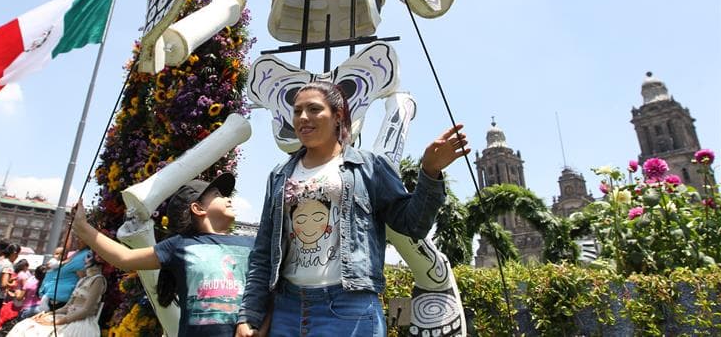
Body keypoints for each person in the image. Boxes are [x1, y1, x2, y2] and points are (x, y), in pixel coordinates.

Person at [235, 81, 471, 337]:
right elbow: (263, 252)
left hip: (349, 309)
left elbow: (411, 225)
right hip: (287, 309)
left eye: (314, 109)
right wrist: (249, 315)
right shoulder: (279, 175)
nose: (303, 117)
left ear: (338, 116)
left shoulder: (369, 167)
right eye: (297, 111)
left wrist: (430, 172)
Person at [71, 173, 256, 337]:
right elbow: (124, 258)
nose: (227, 199)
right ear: (198, 209)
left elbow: (268, 290)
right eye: (217, 195)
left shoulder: (252, 244)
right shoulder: (180, 245)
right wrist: (83, 228)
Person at [5, 252, 106, 337]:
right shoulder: (83, 280)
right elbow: (67, 307)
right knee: (25, 325)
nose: (84, 260)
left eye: (88, 257)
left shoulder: (98, 280)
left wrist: (58, 322)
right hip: (67, 317)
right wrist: (47, 314)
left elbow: (86, 311)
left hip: (80, 321)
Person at [38, 239, 89, 311]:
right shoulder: (54, 261)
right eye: (76, 237)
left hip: (60, 300)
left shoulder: (85, 254)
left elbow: (82, 278)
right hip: (51, 296)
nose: (77, 240)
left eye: (80, 239)